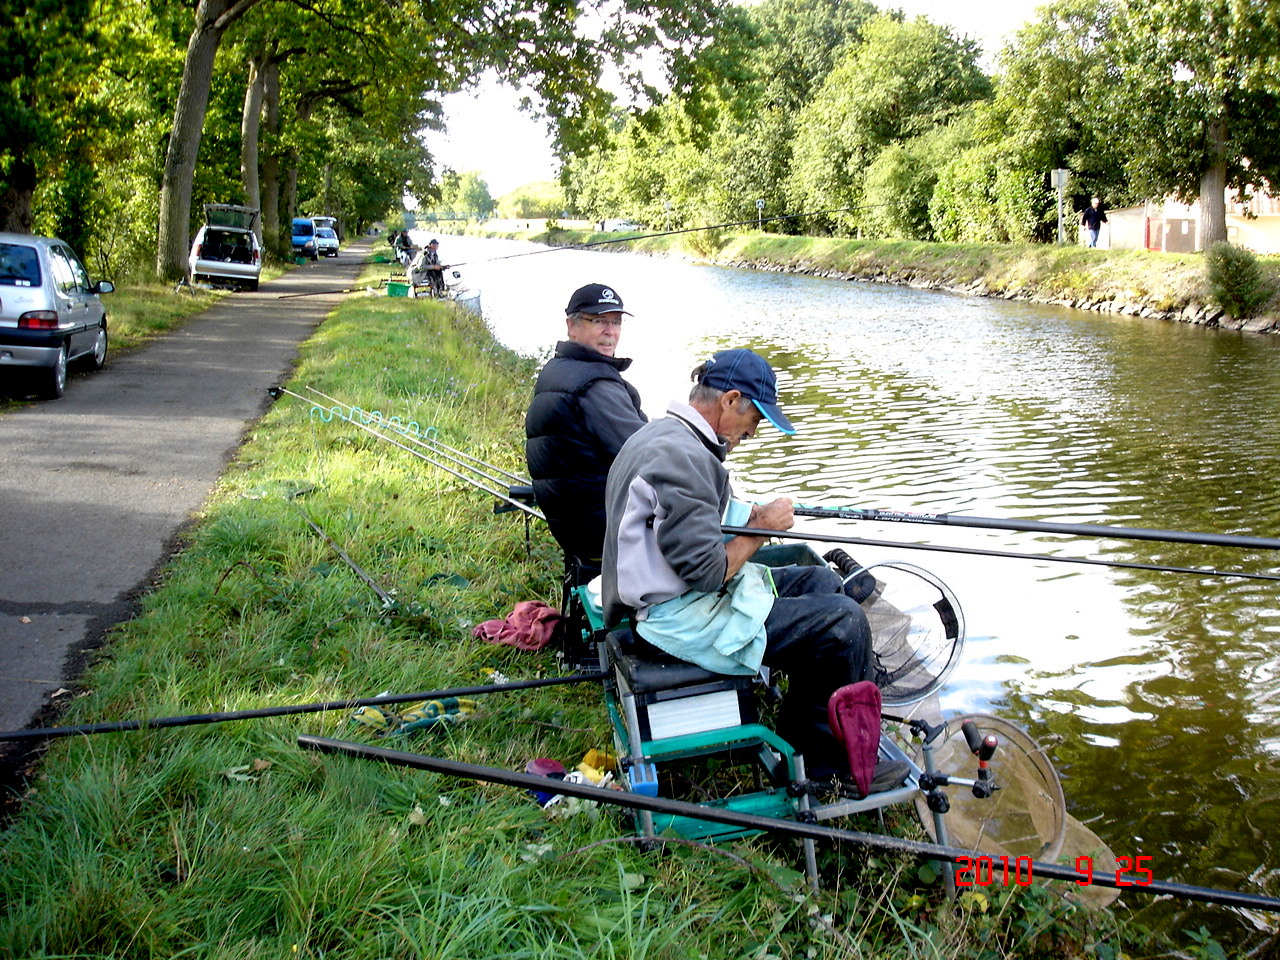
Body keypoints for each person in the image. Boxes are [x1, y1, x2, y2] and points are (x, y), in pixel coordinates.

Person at [600, 348, 881, 780]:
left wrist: (749, 518)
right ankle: (829, 768)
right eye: (754, 421)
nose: (752, 434)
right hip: (669, 620)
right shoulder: (684, 458)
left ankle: (804, 729)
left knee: (819, 578)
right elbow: (708, 572)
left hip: (670, 595)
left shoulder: (663, 435)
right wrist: (761, 528)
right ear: (730, 400)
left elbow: (687, 528)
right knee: (843, 622)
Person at [525, 283, 647, 575]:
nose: (610, 331)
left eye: (615, 322)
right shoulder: (595, 386)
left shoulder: (559, 369)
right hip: (606, 534)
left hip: (577, 529)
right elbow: (649, 456)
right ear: (572, 326)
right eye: (599, 321)